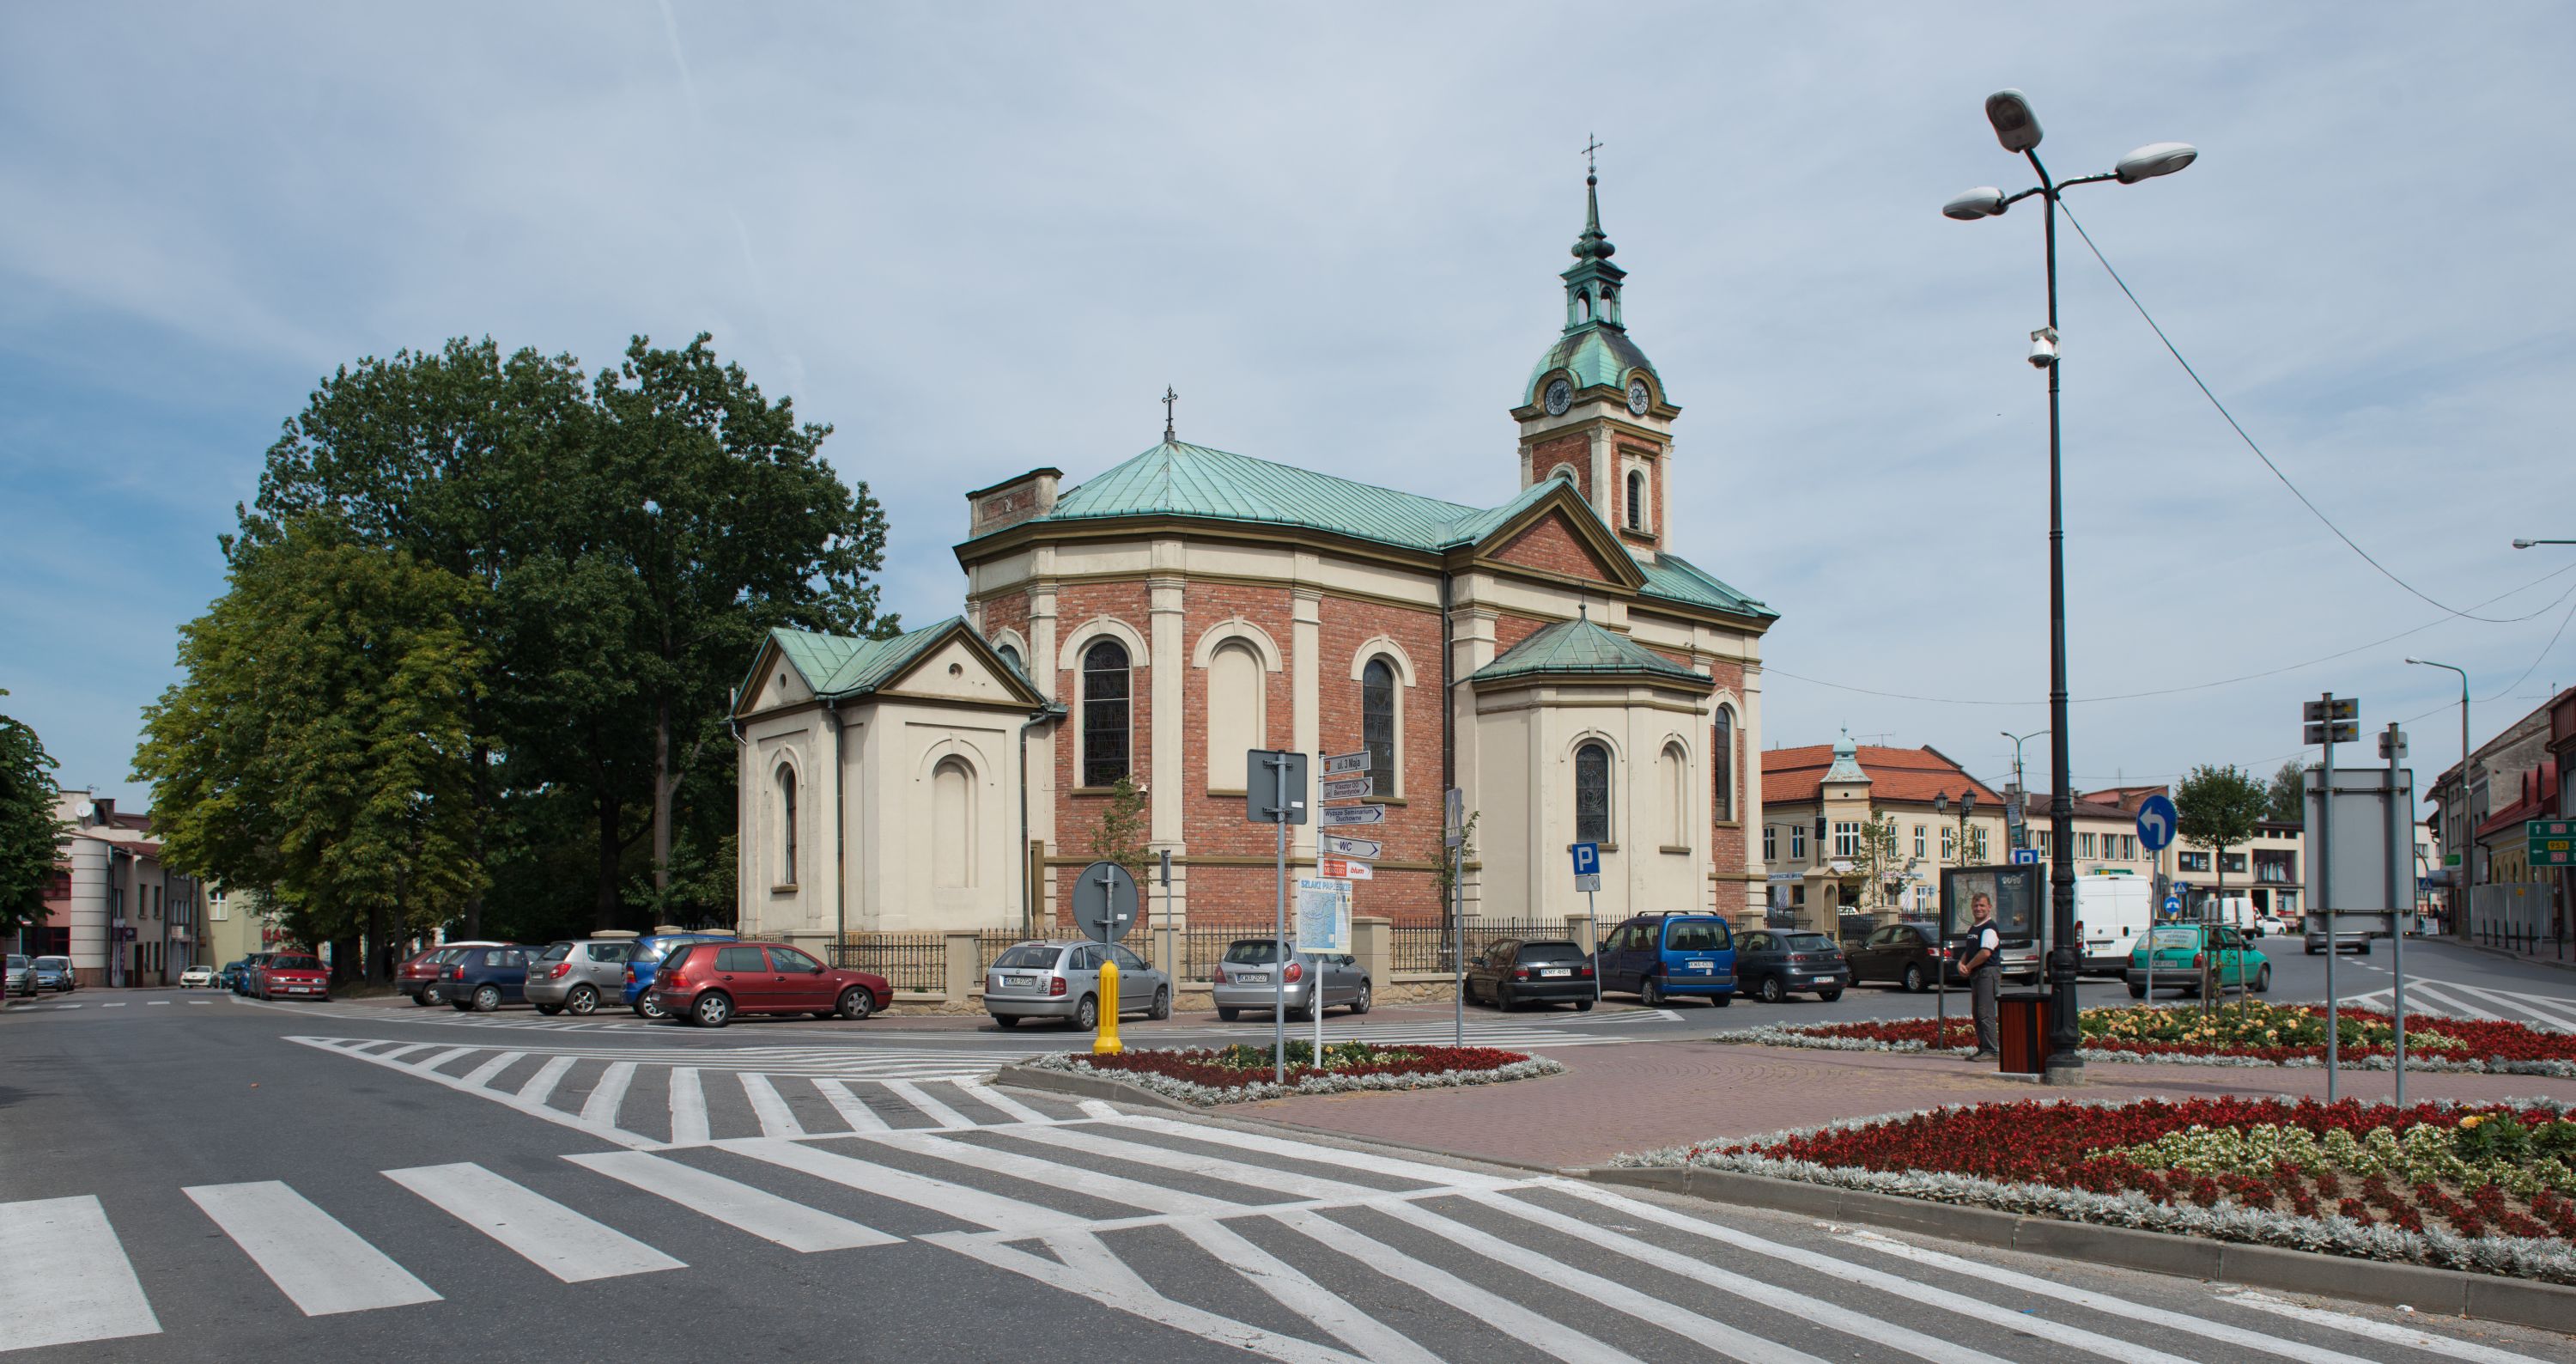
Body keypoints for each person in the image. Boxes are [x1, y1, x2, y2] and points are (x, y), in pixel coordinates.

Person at [1961, 891, 2002, 1060]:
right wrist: (1961, 963)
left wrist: (1968, 966)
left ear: (1989, 907)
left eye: (1982, 905)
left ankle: (1991, 1051)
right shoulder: (1974, 928)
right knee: (1977, 1013)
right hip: (1977, 973)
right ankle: (1983, 1048)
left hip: (1987, 972)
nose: (1978, 908)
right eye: (1975, 905)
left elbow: (1985, 953)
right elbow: (1970, 950)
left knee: (1985, 1013)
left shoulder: (1989, 928)